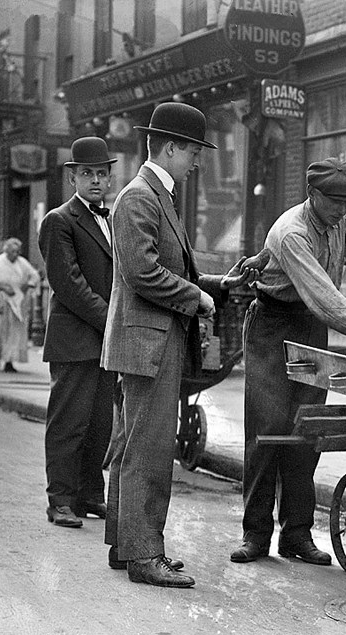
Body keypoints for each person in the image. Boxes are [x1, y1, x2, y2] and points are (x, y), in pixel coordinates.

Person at [102, 102, 257, 589]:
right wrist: (199, 299)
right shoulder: (140, 198)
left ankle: (124, 545)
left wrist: (220, 285)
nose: (197, 162)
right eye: (192, 152)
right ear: (169, 148)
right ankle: (145, 554)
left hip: (149, 341)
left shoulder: (154, 195)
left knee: (133, 444)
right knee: (148, 449)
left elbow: (172, 268)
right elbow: (143, 273)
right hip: (147, 344)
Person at [230, 158, 346, 566]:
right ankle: (255, 534)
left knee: (306, 426)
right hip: (272, 327)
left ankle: (296, 534)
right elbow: (325, 297)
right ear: (312, 195)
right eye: (334, 203)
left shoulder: (340, 223)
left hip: (311, 325)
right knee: (267, 429)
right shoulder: (291, 232)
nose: (342, 212)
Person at [38, 137, 119, 529]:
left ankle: (89, 495)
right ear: (72, 177)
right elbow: (69, 285)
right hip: (75, 341)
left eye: (102, 174)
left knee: (100, 424)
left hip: (104, 342)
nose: (96, 181)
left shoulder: (112, 220)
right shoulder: (59, 220)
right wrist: (113, 321)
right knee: (69, 424)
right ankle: (61, 501)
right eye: (87, 173)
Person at [0, 238, 40, 373]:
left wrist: (29, 285)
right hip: (0, 302)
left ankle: (9, 361)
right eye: (13, 251)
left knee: (14, 333)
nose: (16, 254)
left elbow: (34, 276)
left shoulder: (22, 263)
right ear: (6, 251)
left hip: (17, 302)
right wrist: (1, 286)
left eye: (17, 251)